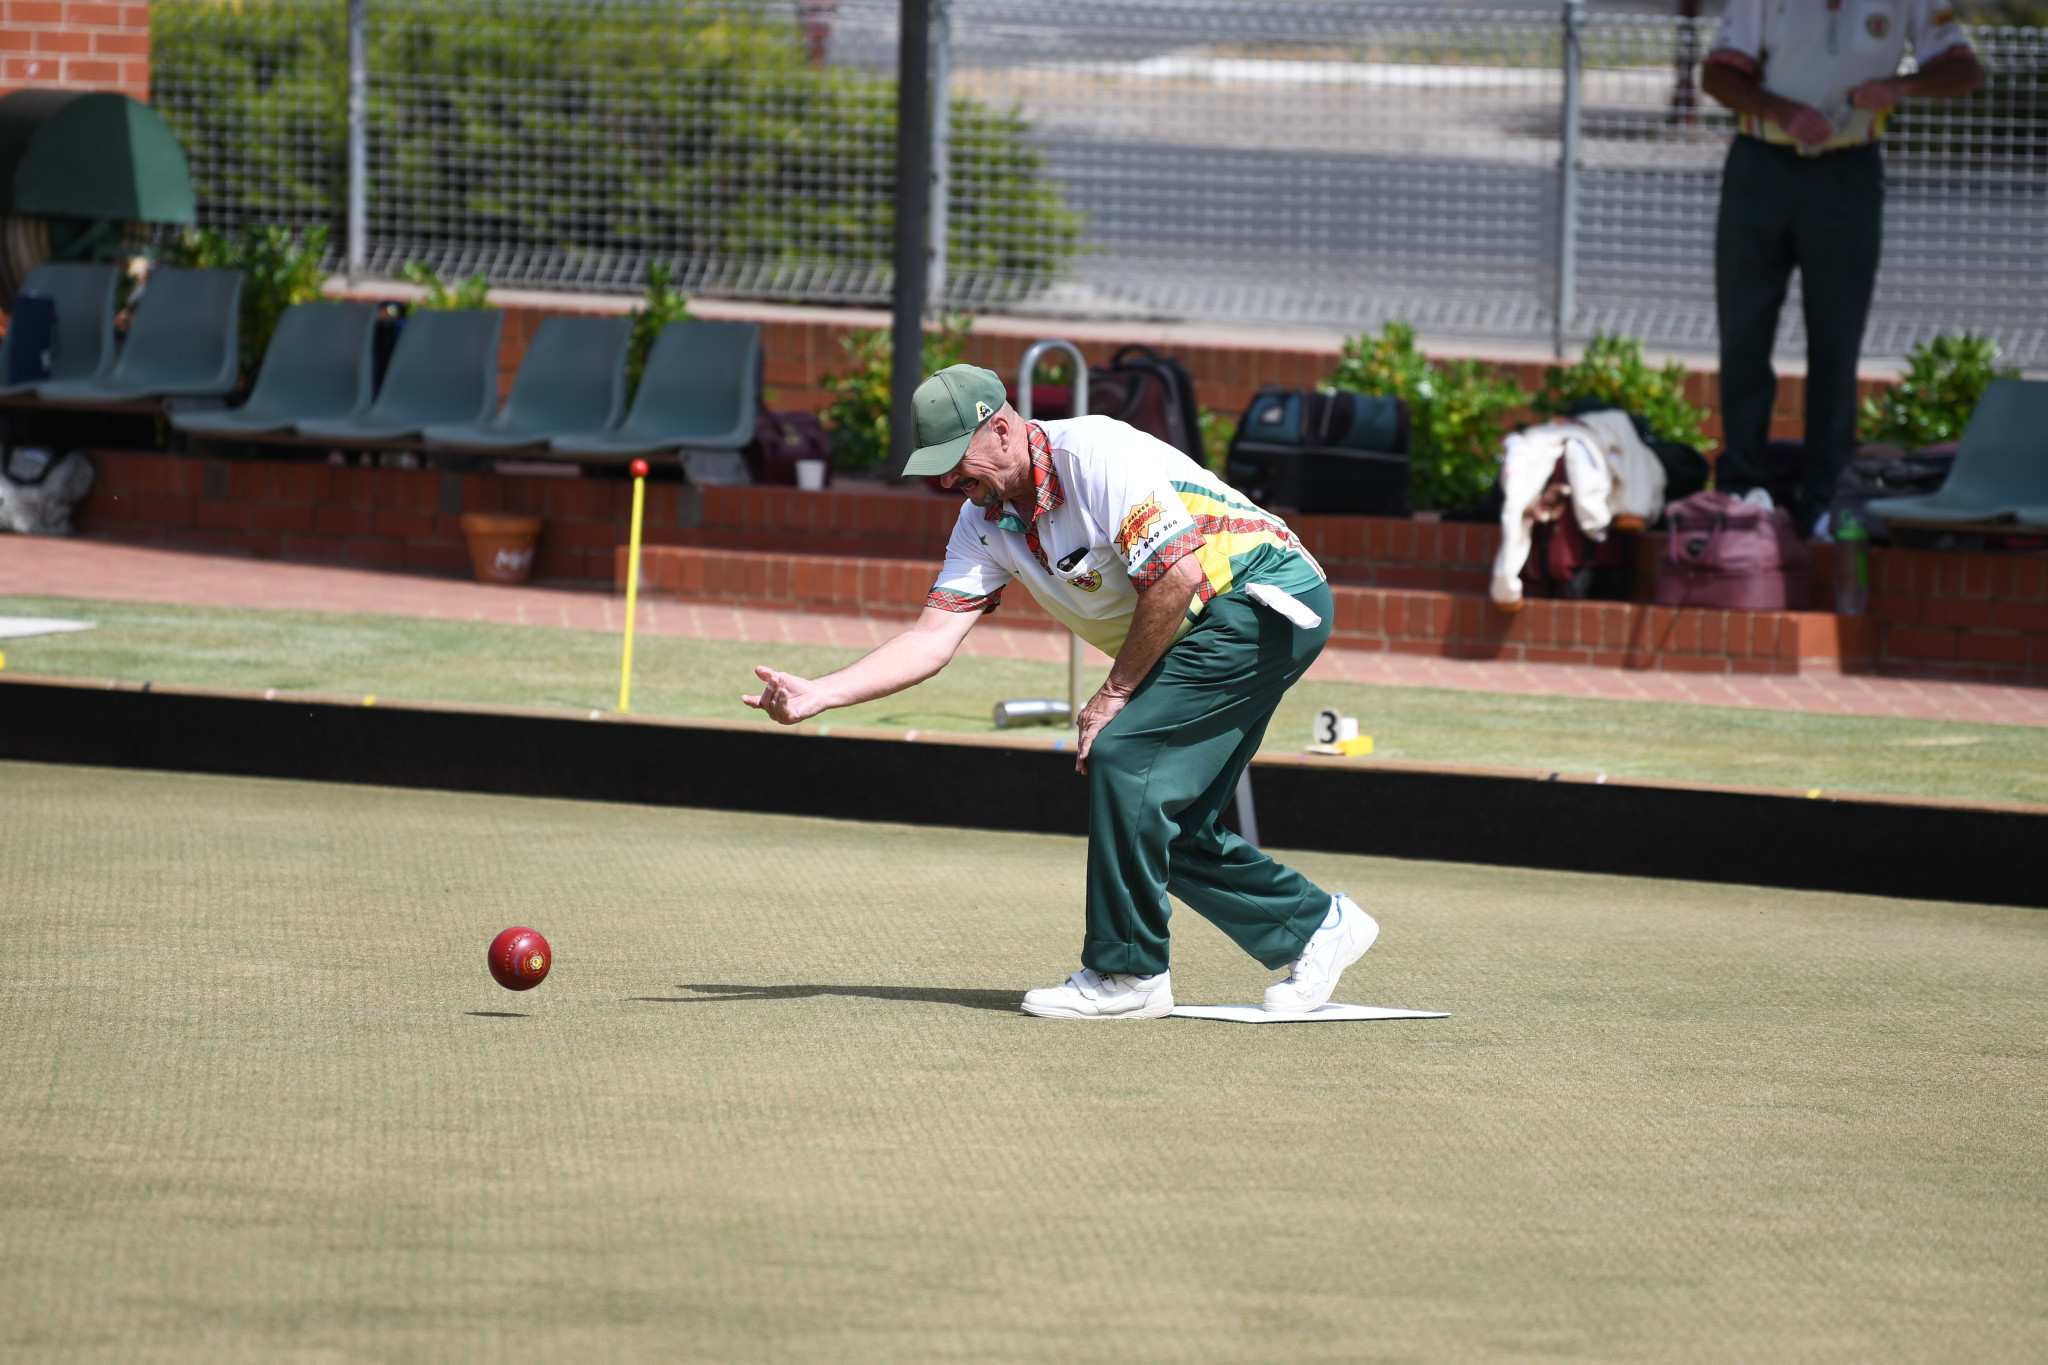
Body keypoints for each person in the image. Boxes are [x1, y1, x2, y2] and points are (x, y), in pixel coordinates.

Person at [743, 364, 1377, 1020]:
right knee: (1162, 820)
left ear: (1002, 428)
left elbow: (1177, 576)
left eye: (955, 461)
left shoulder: (1096, 456)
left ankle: (1128, 974)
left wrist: (1113, 694)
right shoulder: (982, 520)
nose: (946, 481)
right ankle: (1319, 925)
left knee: (1122, 757)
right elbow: (931, 640)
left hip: (1260, 593)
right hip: (1198, 622)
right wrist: (820, 693)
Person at [1702, 0, 1982, 531]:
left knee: (1836, 342)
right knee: (1744, 330)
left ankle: (1825, 499)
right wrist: (1778, 108)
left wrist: (1899, 87)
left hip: (1849, 174)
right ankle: (1742, 485)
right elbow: (1717, 73)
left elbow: (1964, 68)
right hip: (1762, 167)